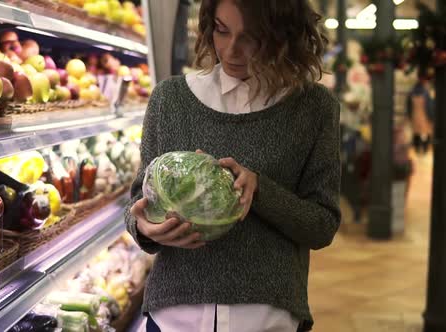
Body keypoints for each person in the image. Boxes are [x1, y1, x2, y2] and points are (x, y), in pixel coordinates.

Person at [125, 0, 341, 331]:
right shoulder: (169, 99)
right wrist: (145, 229)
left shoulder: (314, 108)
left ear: (284, 35)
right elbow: (138, 203)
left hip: (268, 321)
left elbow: (322, 225)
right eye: (222, 31)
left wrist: (260, 190)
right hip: (172, 319)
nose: (232, 50)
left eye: (251, 37)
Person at [406, 79, 435, 154]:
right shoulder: (426, 93)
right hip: (425, 116)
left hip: (415, 116)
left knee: (416, 133)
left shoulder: (411, 92)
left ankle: (417, 148)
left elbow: (408, 106)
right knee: (428, 133)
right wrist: (431, 117)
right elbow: (429, 106)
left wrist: (409, 116)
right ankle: (425, 148)